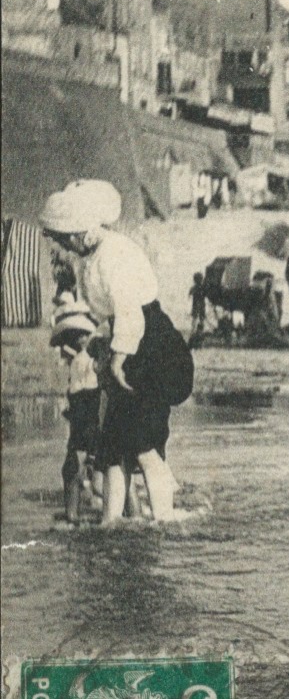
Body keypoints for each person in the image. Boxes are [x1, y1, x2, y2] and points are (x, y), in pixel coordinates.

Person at [39, 180, 192, 525]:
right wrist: (102, 346)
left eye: (66, 238)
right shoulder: (91, 259)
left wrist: (119, 358)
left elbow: (129, 311)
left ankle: (163, 520)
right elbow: (103, 312)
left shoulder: (114, 253)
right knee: (113, 446)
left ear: (80, 233)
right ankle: (111, 522)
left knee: (143, 444)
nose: (65, 245)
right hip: (127, 341)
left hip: (150, 346)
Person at [51, 302, 102, 524]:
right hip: (87, 418)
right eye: (77, 336)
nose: (80, 339)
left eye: (84, 335)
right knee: (85, 468)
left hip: (87, 418)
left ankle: (73, 514)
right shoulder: (86, 360)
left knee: (75, 468)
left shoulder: (87, 361)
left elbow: (86, 393)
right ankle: (76, 513)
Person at [188, 272, 209, 342]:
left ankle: (194, 334)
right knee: (201, 320)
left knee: (194, 321)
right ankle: (200, 333)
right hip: (201, 306)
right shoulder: (203, 287)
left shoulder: (193, 288)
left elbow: (190, 295)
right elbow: (207, 295)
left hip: (196, 306)